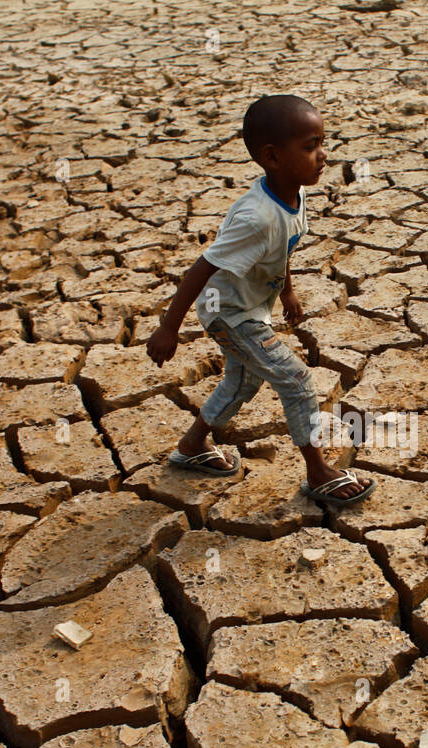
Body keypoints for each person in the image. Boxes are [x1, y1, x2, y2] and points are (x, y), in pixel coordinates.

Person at [145, 94, 376, 506]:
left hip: (249, 308)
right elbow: (202, 268)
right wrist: (168, 327)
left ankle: (192, 445)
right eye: (310, 147)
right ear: (272, 157)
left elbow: (281, 250)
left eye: (322, 142)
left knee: (243, 379)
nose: (322, 156)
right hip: (228, 314)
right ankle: (318, 471)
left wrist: (286, 290)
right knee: (296, 379)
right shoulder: (255, 218)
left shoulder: (294, 194)